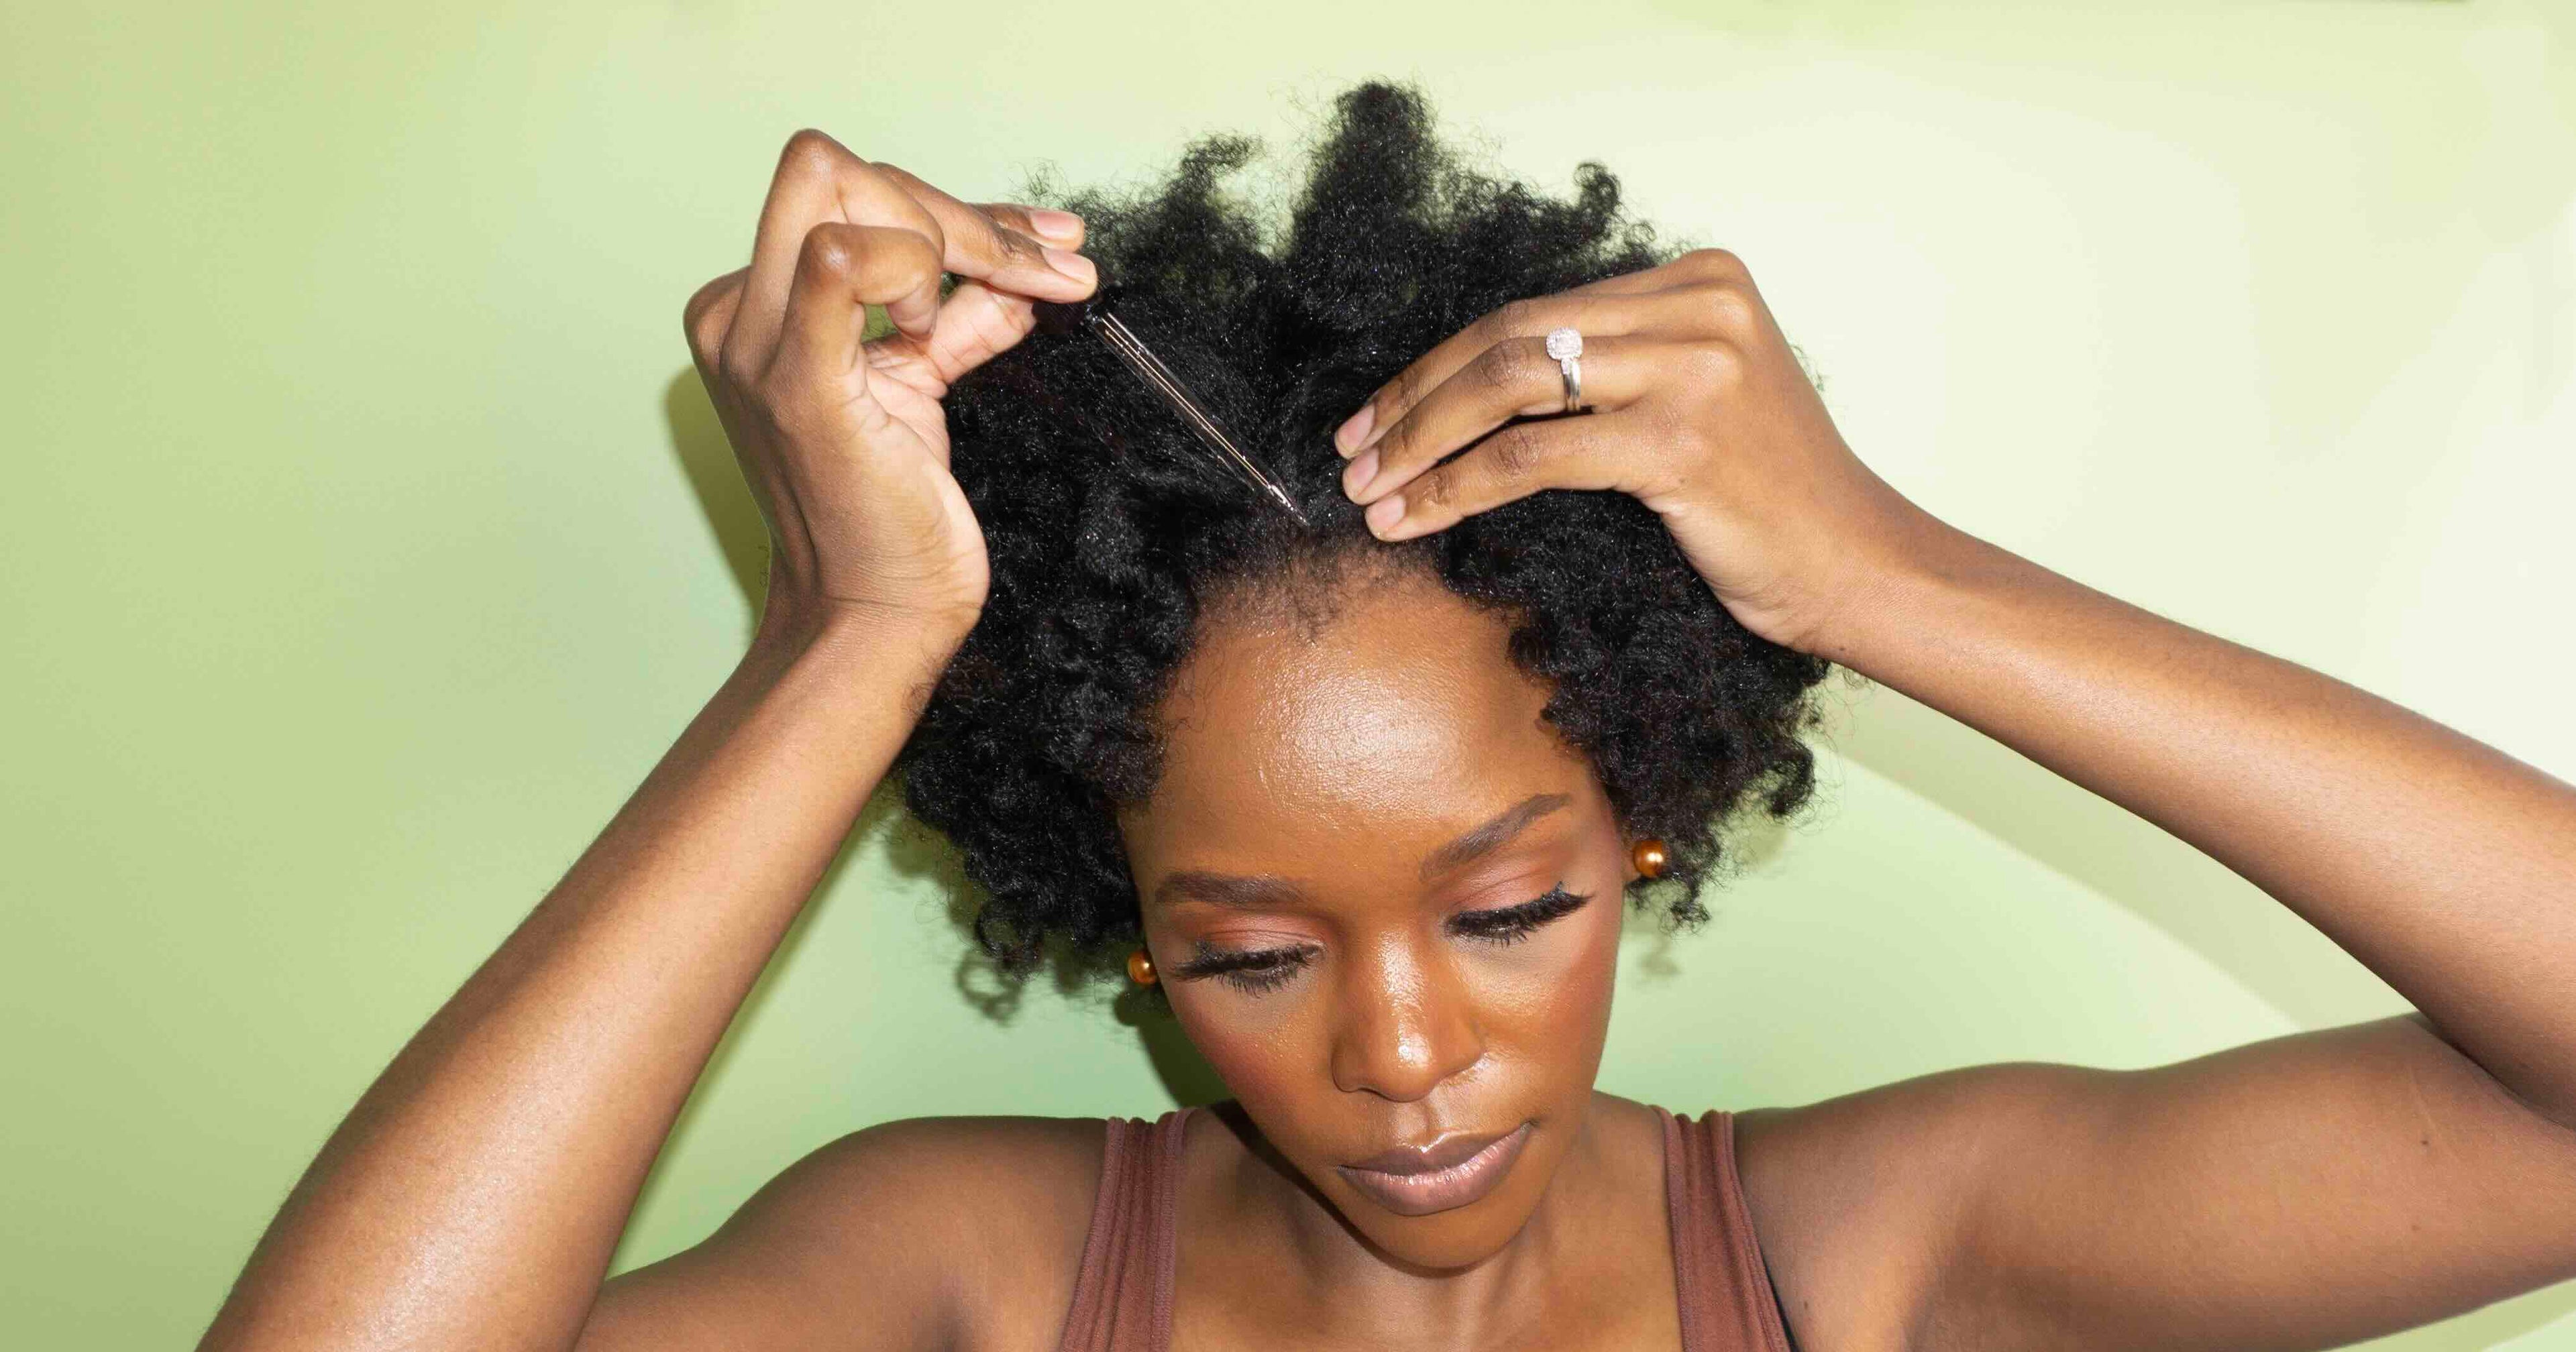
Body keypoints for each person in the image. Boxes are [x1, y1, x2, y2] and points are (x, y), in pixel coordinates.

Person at [198, 81, 2576, 1352]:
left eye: (1516, 902)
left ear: (1645, 813)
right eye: (1253, 953)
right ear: (1118, 918)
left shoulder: (1877, 1262)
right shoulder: (971, 1281)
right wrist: (838, 641)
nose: (1411, 1053)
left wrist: (1889, 576)